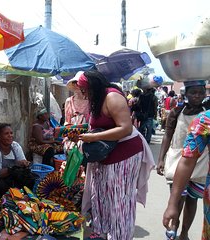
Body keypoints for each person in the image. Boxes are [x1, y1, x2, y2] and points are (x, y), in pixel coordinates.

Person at [77, 70, 154, 239]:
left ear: (94, 87)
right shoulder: (96, 99)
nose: (83, 94)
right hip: (106, 154)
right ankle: (102, 232)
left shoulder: (112, 97)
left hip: (124, 154)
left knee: (119, 200)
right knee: (102, 195)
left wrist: (93, 136)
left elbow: (125, 128)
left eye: (84, 90)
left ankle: (120, 235)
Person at [157, 80, 208, 240]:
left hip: (200, 161)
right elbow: (167, 135)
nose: (198, 96)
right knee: (177, 196)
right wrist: (161, 158)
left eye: (201, 92)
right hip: (178, 160)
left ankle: (184, 233)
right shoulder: (176, 112)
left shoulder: (206, 113)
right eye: (194, 92)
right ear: (186, 94)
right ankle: (173, 228)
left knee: (192, 199)